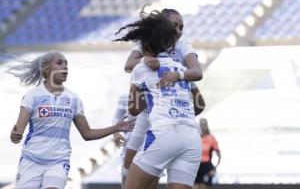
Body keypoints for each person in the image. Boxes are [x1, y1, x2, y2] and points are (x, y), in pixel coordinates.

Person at [8, 51, 134, 189]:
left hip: (58, 161)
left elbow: (87, 134)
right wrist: (15, 135)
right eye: (60, 63)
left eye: (67, 63)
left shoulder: (73, 99)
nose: (65, 66)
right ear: (47, 68)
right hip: (31, 160)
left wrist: (116, 128)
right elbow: (18, 132)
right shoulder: (32, 96)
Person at [114, 10, 202, 189]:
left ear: (145, 42)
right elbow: (200, 104)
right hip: (191, 135)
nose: (177, 31)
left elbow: (133, 109)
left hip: (162, 129)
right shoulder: (179, 67)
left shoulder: (141, 68)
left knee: (129, 178)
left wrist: (140, 87)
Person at [194, 118, 221, 189]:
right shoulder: (194, 137)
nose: (202, 127)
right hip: (195, 166)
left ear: (207, 126)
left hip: (206, 167)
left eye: (204, 125)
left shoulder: (211, 138)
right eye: (201, 125)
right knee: (195, 186)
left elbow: (219, 156)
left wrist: (214, 168)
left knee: (203, 187)